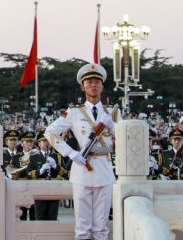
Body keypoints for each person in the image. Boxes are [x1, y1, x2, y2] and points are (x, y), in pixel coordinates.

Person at [45, 62, 118, 240]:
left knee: (101, 227)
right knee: (83, 227)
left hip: (104, 167)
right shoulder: (74, 112)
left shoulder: (112, 113)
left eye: (97, 82)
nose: (93, 85)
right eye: (89, 82)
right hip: (82, 167)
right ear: (82, 87)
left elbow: (126, 138)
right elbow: (50, 132)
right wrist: (71, 153)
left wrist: (113, 126)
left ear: (102, 86)